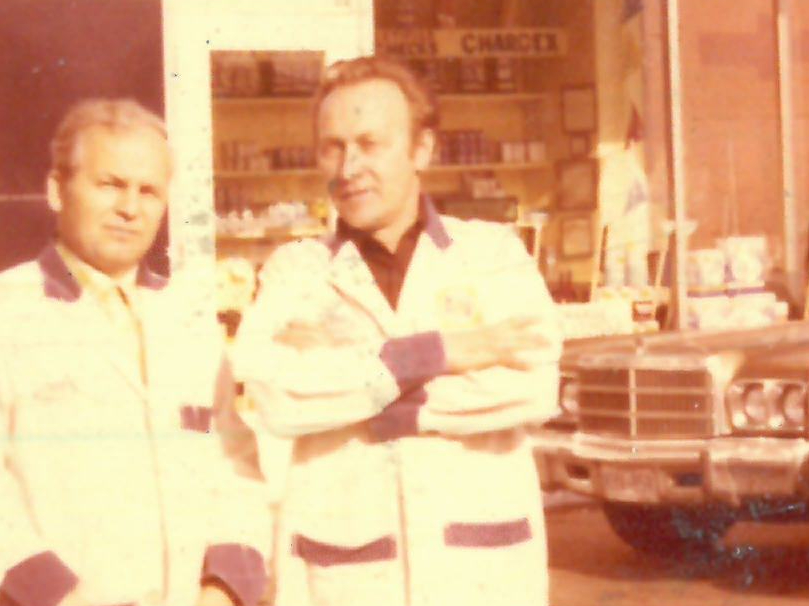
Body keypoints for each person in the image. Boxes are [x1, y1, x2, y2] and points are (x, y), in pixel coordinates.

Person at [0, 99, 270, 606]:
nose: (130, 208)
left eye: (148, 191)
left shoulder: (187, 320)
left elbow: (234, 467)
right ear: (57, 190)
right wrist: (57, 595)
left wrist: (223, 588)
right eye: (110, 185)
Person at [230, 57, 561, 606]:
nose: (349, 166)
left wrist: (361, 388)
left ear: (421, 149)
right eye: (333, 146)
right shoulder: (297, 271)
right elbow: (278, 397)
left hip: (479, 573)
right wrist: (439, 354)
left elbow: (532, 386)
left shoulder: (492, 253)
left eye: (370, 143)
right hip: (347, 575)